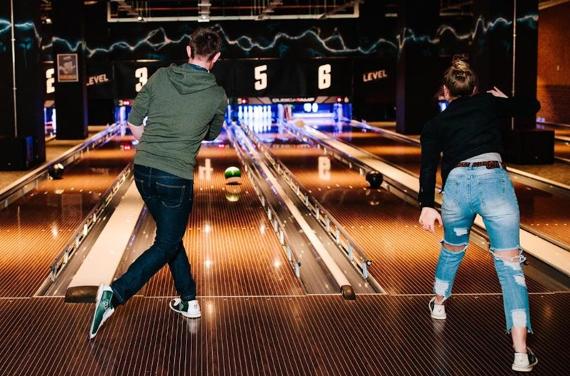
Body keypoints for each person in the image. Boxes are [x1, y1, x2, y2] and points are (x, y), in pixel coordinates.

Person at [89, 27, 227, 339]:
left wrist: (150, 145)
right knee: (166, 242)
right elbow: (212, 133)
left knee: (170, 237)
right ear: (216, 58)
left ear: (188, 51)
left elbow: (134, 122)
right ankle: (116, 294)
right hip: (175, 176)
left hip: (143, 170)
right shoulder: (217, 94)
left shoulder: (162, 76)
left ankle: (189, 300)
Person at [418, 56, 540, 372]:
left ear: (445, 91)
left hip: (457, 188)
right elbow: (532, 106)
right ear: (474, 89)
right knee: (510, 267)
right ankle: (521, 354)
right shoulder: (487, 104)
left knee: (453, 250)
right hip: (494, 183)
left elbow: (428, 167)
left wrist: (427, 206)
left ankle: (439, 304)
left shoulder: (435, 125)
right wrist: (503, 100)